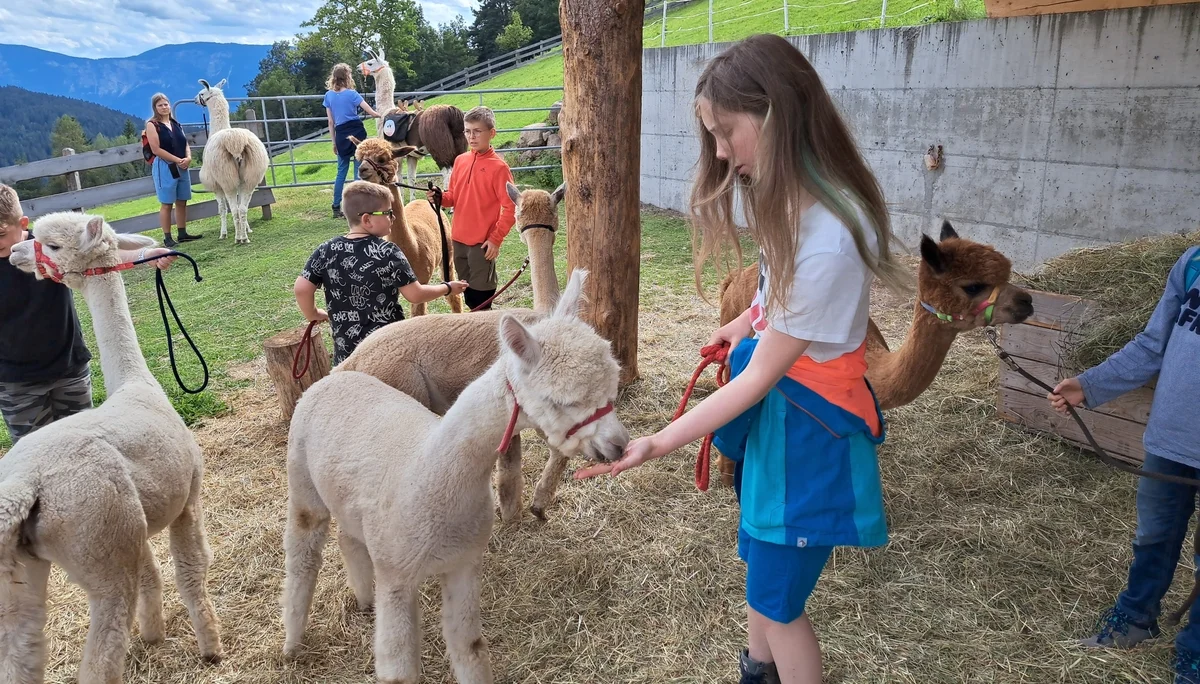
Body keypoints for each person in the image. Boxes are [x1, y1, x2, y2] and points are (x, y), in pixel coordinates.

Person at [574, 34, 911, 684]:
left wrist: (660, 440)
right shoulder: (799, 205)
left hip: (809, 439)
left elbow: (760, 378)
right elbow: (773, 293)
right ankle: (756, 671)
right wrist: (743, 321)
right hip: (782, 434)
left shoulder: (830, 241)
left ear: (778, 115)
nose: (721, 152)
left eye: (727, 132)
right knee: (763, 578)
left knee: (781, 607)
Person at [1048, 245, 1200, 684]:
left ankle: (1196, 649)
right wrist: (1090, 384)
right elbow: (1154, 343)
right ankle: (1136, 617)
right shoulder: (1193, 263)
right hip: (1171, 439)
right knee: (1154, 533)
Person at [0, 183, 177, 446]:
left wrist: (144, 255)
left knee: (86, 444)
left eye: (0, 233)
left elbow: (98, 254)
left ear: (22, 223)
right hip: (17, 381)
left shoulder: (51, 246)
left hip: (69, 367)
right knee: (37, 451)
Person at [294, 180, 468, 365]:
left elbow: (302, 289)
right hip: (388, 349)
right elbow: (415, 295)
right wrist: (447, 287)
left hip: (347, 353)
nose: (393, 218)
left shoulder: (325, 250)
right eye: (387, 213)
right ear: (367, 219)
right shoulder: (388, 251)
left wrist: (313, 313)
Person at [426, 106, 515, 311]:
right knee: (468, 297)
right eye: (467, 131)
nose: (471, 136)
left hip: (481, 244)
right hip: (458, 240)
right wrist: (440, 197)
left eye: (477, 131)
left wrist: (495, 239)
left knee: (482, 299)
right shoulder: (461, 160)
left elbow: (510, 207)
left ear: (491, 133)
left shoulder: (499, 167)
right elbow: (453, 197)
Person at [324, 62, 381, 219]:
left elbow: (331, 122)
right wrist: (380, 114)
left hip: (341, 134)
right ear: (347, 77)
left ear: (334, 78)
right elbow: (369, 111)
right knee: (359, 171)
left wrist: (334, 142)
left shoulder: (328, 96)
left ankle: (336, 207)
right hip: (357, 133)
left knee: (341, 172)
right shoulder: (353, 94)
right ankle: (358, 207)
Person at [144, 93, 200, 248]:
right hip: (165, 166)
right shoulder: (152, 125)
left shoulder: (175, 123)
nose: (164, 107)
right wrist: (177, 160)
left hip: (182, 166)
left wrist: (188, 157)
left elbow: (185, 143)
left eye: (166, 104)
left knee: (182, 200)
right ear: (155, 108)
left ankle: (182, 233)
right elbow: (156, 149)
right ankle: (167, 237)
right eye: (160, 105)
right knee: (167, 202)